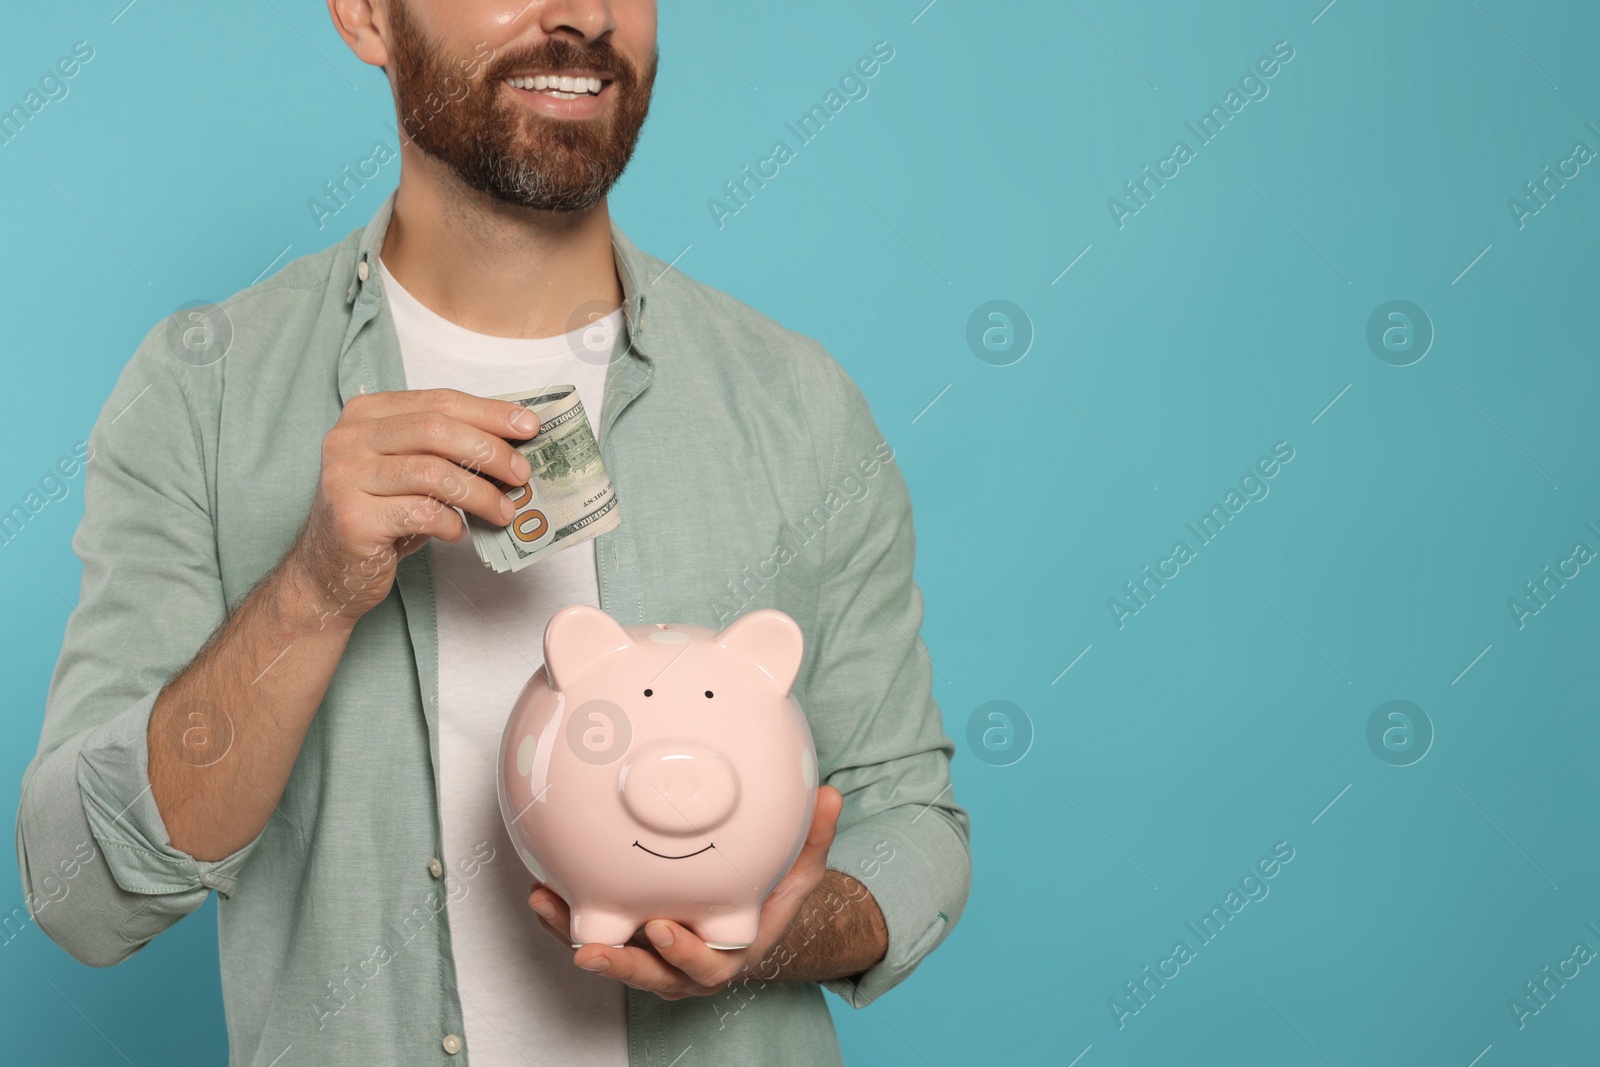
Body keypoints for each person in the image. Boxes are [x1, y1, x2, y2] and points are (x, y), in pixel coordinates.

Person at [15, 1, 970, 1063]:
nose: (587, 14)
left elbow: (913, 824)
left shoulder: (796, 402)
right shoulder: (205, 393)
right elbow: (81, 891)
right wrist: (312, 593)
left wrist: (777, 933)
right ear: (367, 17)